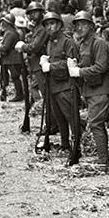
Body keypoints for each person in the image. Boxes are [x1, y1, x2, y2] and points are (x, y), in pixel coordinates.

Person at [68, 10, 109, 167]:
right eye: (77, 25)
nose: (79, 28)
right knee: (95, 123)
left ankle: (103, 160)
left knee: (95, 124)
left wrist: (80, 71)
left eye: (83, 24)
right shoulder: (82, 44)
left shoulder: (98, 43)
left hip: (100, 89)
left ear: (91, 26)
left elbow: (101, 66)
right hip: (89, 89)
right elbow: (86, 64)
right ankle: (102, 157)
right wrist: (76, 66)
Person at [40, 11, 79, 151]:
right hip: (53, 84)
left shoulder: (67, 41)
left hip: (65, 85)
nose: (49, 27)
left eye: (52, 23)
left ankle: (77, 144)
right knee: (59, 117)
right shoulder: (50, 41)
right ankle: (64, 144)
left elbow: (71, 63)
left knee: (71, 117)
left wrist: (51, 66)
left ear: (59, 24)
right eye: (47, 25)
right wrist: (46, 60)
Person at [0, 13, 24, 102]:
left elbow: (6, 47)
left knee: (15, 77)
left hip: (12, 59)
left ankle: (19, 95)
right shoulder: (10, 32)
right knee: (12, 77)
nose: (2, 24)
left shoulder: (10, 33)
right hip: (11, 59)